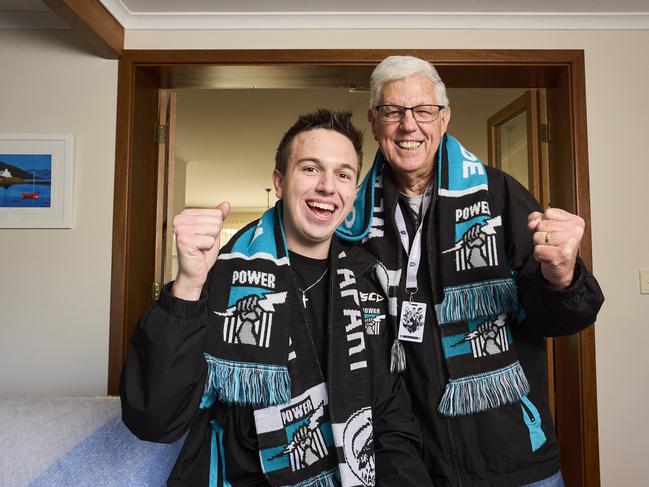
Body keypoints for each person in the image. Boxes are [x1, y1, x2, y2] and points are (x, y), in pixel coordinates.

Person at [121, 109, 433, 487]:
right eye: (311, 169)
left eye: (343, 174)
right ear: (280, 182)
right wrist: (188, 285)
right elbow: (154, 420)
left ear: (352, 193)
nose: (327, 186)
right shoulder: (219, 280)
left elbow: (388, 418)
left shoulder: (369, 284)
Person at [335, 56, 605, 486]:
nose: (409, 125)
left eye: (423, 111)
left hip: (516, 461)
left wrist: (562, 277)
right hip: (413, 468)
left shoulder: (498, 194)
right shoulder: (351, 224)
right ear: (374, 120)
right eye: (393, 111)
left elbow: (562, 317)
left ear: (444, 119)